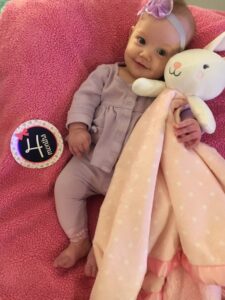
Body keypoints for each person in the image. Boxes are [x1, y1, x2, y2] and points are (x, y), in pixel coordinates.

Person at [53, 0, 200, 277]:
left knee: (131, 216)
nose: (145, 54)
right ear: (132, 32)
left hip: (129, 177)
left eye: (161, 52)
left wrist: (192, 127)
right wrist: (77, 128)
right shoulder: (105, 74)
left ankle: (103, 250)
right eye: (141, 40)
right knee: (64, 187)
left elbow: (184, 114)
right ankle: (79, 239)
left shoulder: (167, 94)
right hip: (90, 159)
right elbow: (84, 100)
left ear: (175, 62)